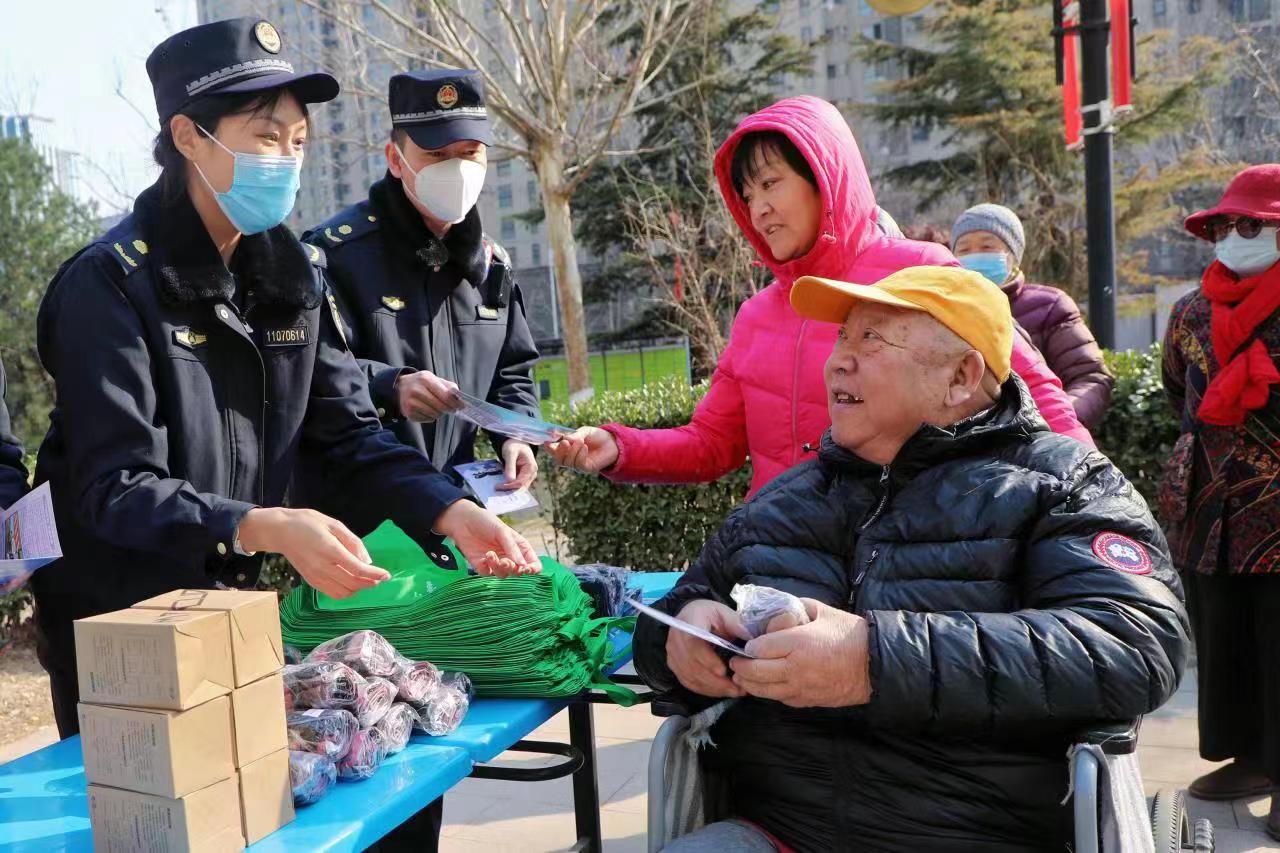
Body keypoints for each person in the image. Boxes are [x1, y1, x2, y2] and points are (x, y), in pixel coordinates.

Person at [30, 18, 538, 741]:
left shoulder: (291, 275)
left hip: (231, 602)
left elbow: (348, 434)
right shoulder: (109, 286)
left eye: (297, 141)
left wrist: (451, 510)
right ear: (187, 136)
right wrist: (258, 524)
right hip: (116, 616)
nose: (286, 160)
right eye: (265, 136)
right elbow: (114, 487)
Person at [635, 266, 1189, 851]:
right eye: (842, 339)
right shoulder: (782, 502)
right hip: (780, 832)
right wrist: (681, 634)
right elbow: (662, 624)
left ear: (960, 376)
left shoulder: (1063, 485)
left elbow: (1138, 644)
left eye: (871, 339)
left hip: (981, 834)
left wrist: (873, 659)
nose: (838, 362)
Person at [548, 96, 1092, 500]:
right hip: (780, 560)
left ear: (824, 178)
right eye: (746, 194)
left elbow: (1033, 395)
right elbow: (711, 442)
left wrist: (1095, 499)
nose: (757, 208)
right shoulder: (755, 315)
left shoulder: (924, 272)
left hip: (902, 573)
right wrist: (617, 448)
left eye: (770, 183)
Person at [302, 70, 539, 521]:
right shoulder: (335, 255)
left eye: (469, 154)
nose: (456, 169)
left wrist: (517, 436)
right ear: (395, 158)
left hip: (464, 515)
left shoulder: (492, 266)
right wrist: (389, 386)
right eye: (435, 154)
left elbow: (514, 372)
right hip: (363, 523)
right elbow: (311, 373)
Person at [1162, 164, 1280, 839]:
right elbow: (1179, 382)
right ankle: (1250, 755)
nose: (1237, 237)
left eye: (1254, 225)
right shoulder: (1191, 310)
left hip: (1277, 502)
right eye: (1229, 225)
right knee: (1224, 632)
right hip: (1210, 501)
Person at [951, 203, 1114, 431]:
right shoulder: (946, 311)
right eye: (964, 250)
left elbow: (1091, 378)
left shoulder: (1049, 306)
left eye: (987, 246)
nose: (975, 256)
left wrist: (1054, 424)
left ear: (1013, 255)